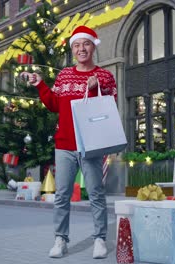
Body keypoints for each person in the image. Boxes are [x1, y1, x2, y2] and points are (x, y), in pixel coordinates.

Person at [21, 25, 117, 259]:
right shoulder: (64, 75)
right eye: (76, 45)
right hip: (64, 143)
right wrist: (40, 85)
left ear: (93, 46)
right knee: (62, 194)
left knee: (96, 193)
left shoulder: (105, 76)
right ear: (72, 49)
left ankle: (99, 240)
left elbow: (110, 108)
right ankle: (60, 239)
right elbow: (54, 104)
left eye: (85, 44)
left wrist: (95, 90)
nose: (81, 49)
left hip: (92, 144)